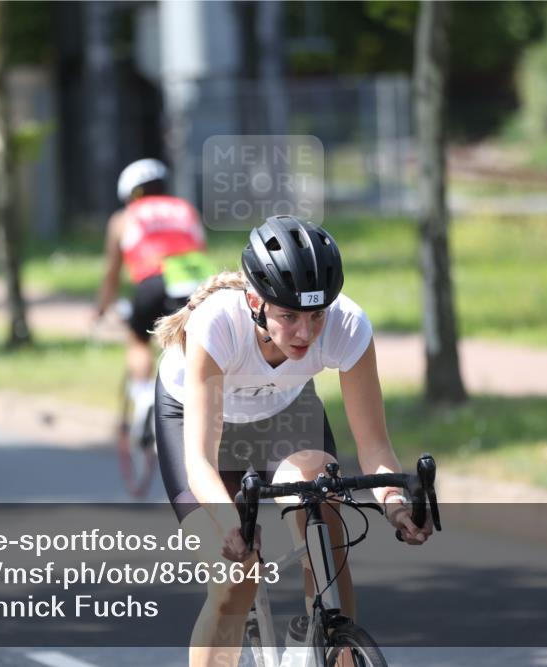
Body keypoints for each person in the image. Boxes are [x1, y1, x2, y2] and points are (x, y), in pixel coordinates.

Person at [152, 215, 432, 667]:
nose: (305, 333)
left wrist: (396, 506)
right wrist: (231, 525)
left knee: (326, 538)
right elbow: (199, 461)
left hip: (285, 412)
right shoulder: (216, 325)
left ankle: (324, 640)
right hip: (198, 421)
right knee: (235, 578)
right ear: (255, 303)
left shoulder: (347, 326)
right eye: (289, 316)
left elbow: (375, 447)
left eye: (317, 315)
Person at [95, 158, 214, 446]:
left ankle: (145, 395)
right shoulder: (186, 209)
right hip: (197, 285)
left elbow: (112, 272)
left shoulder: (124, 217)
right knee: (197, 342)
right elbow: (200, 247)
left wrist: (102, 308)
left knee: (138, 338)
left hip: (154, 280)